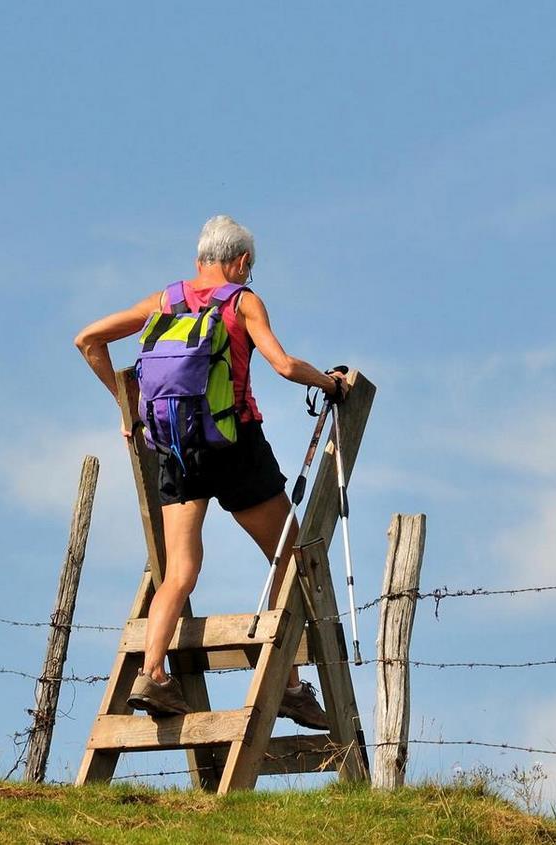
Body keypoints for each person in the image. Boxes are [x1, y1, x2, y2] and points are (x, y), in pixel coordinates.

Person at [73, 214, 346, 730]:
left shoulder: (166, 301)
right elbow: (284, 365)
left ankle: (152, 674)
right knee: (287, 561)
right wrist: (330, 384)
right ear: (241, 262)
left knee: (178, 571)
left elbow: (88, 339)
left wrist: (125, 405)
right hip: (236, 445)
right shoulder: (242, 302)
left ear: (200, 258)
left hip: (177, 449)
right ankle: (287, 687)